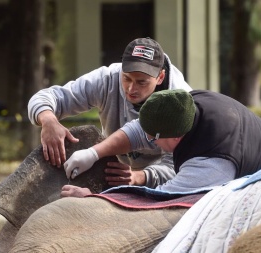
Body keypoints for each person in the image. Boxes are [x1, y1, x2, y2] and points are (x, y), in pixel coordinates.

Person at [28, 37, 192, 193]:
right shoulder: (107, 79)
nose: (131, 89)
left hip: (162, 184)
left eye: (141, 82)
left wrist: (138, 177)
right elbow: (50, 96)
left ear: (160, 77)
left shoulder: (182, 103)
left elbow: (182, 166)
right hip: (111, 169)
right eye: (126, 78)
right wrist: (48, 120)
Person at [63, 89, 261, 194]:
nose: (145, 141)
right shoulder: (187, 102)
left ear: (175, 136)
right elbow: (139, 131)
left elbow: (158, 199)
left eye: (152, 138)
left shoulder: (211, 164)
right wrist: (93, 152)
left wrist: (96, 197)